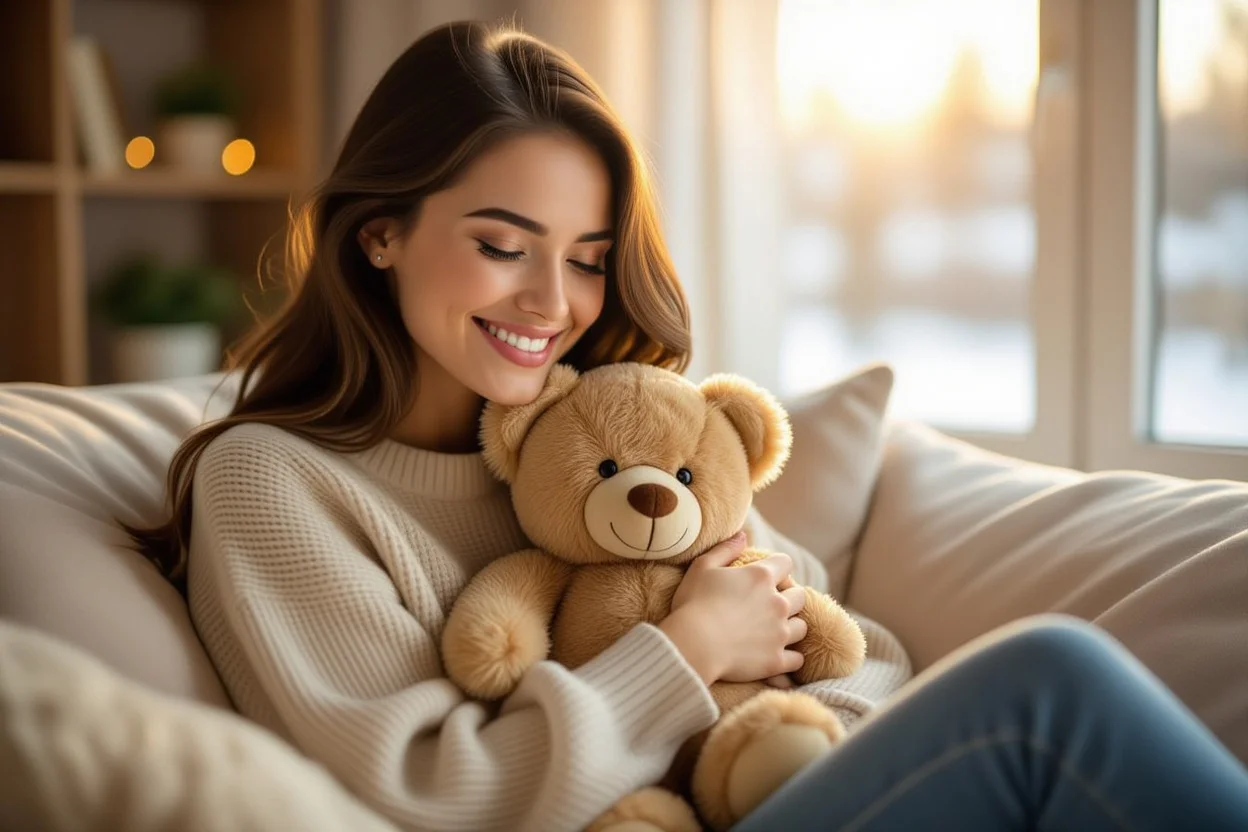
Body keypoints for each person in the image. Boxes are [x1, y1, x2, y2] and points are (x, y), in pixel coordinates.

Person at [127, 19, 1248, 832]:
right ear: (380, 234)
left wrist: (786, 740)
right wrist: (693, 651)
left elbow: (868, 653)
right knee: (1048, 695)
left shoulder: (616, 450)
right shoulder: (274, 483)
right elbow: (430, 793)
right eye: (503, 244)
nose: (551, 304)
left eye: (587, 261)